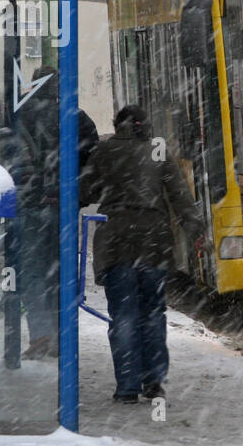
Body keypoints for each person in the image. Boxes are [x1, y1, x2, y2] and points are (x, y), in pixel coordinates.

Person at [80, 104, 204, 404]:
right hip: (153, 242)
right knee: (153, 312)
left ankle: (126, 387)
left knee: (123, 316)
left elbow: (85, 191)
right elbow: (179, 195)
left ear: (117, 124)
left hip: (116, 241)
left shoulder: (104, 152)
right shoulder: (158, 150)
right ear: (145, 125)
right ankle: (154, 382)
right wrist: (196, 231)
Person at [6, 65, 99, 359]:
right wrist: (78, 197)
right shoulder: (76, 118)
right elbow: (93, 162)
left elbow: (5, 157)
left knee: (32, 273)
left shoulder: (19, 117)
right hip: (61, 207)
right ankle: (62, 337)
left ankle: (40, 335)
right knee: (61, 273)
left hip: (27, 207)